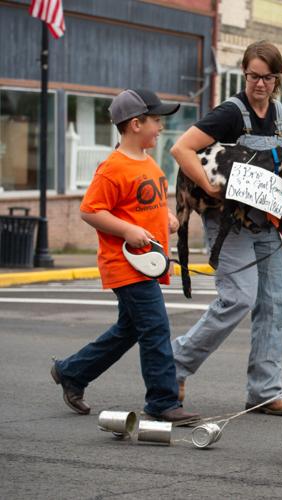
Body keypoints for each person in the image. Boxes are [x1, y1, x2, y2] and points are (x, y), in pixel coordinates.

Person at [170, 40, 282, 415]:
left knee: (274, 306)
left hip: (267, 222)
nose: (260, 84)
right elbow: (181, 149)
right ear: (244, 75)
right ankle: (173, 364)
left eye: (267, 77)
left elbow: (281, 168)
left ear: (277, 78)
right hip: (228, 225)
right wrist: (208, 187)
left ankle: (264, 393)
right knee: (239, 298)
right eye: (253, 76)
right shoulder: (229, 113)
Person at [51, 89, 199, 424]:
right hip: (126, 264)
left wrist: (167, 220)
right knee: (156, 327)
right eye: (156, 120)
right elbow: (90, 210)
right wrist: (128, 231)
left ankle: (71, 372)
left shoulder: (148, 163)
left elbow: (147, 205)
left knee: (129, 329)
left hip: (147, 263)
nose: (160, 127)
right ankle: (162, 400)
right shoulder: (112, 168)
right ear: (135, 124)